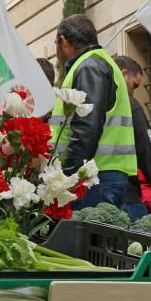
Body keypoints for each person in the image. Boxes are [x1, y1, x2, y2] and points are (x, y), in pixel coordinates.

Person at [49, 15, 136, 208]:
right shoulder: (99, 63)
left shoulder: (89, 66)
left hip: (93, 177)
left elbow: (87, 126)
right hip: (101, 173)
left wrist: (68, 175)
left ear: (63, 41)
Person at [113, 55, 151, 220]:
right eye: (134, 85)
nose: (133, 92)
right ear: (123, 73)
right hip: (125, 194)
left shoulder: (93, 99)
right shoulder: (129, 104)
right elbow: (147, 152)